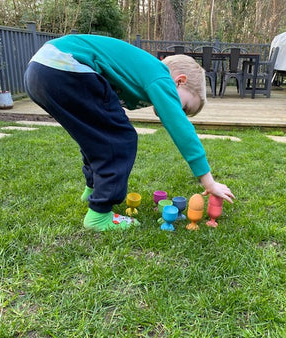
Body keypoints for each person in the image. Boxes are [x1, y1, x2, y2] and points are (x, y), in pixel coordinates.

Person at [24, 34, 235, 232]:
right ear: (179, 81)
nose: (178, 112)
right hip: (65, 67)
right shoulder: (161, 76)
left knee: (96, 136)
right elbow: (182, 129)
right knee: (121, 140)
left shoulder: (140, 72)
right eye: (185, 108)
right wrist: (208, 181)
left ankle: (92, 190)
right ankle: (99, 214)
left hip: (41, 69)